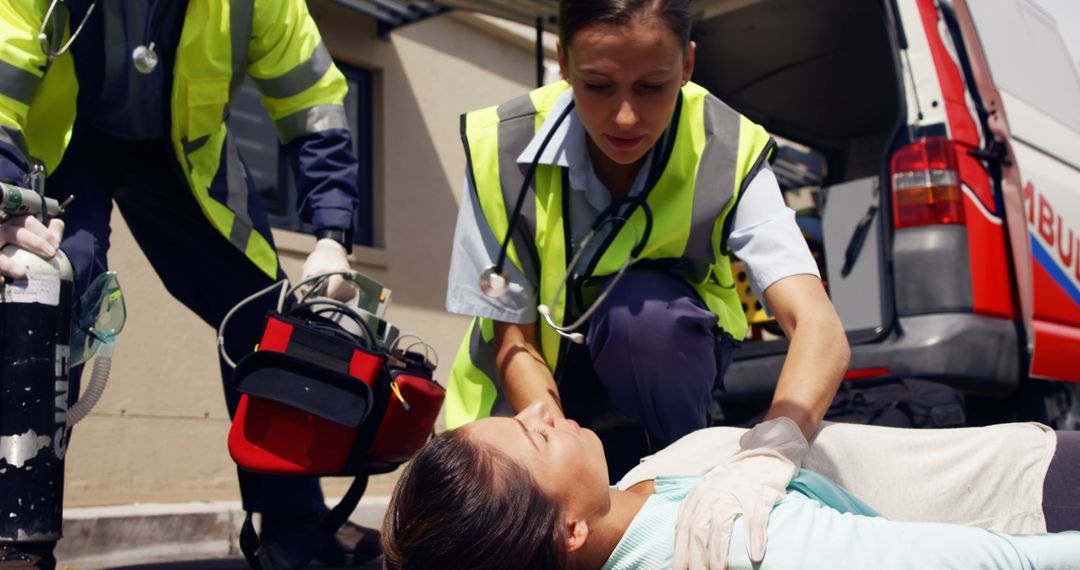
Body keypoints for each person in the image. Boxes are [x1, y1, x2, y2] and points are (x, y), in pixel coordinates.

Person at [443, 0, 846, 565]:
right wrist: (553, 444)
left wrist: (773, 452)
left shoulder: (729, 146)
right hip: (530, 397)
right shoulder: (500, 145)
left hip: (663, 369)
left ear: (687, 64)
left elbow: (818, 325)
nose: (625, 118)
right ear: (562, 61)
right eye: (598, 85)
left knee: (644, 317)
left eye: (653, 86)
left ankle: (680, 475)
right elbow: (513, 338)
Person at [0, 0, 368, 566]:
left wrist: (332, 233)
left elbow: (312, 101)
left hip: (179, 159)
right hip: (64, 151)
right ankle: (16, 534)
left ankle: (297, 526)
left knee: (264, 316)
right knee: (43, 290)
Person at [382, 401, 1080, 569]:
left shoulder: (626, 500)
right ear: (569, 530)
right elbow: (1000, 563)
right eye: (534, 434)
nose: (539, 406)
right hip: (1037, 499)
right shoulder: (739, 544)